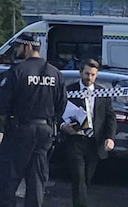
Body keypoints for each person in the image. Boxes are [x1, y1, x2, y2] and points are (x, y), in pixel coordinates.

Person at [0, 32, 67, 207]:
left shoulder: (15, 72)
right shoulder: (55, 73)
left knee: (7, 181)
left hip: (19, 131)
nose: (17, 50)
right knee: (36, 182)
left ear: (27, 47)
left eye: (18, 47)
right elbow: (61, 105)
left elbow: (2, 105)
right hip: (45, 132)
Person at [60, 59, 116, 207]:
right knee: (78, 178)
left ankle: (80, 202)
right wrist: (63, 126)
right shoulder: (69, 91)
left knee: (86, 179)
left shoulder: (102, 93)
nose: (89, 78)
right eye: (87, 74)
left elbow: (110, 117)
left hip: (94, 142)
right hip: (75, 141)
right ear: (80, 72)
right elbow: (58, 112)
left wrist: (110, 137)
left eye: (92, 75)